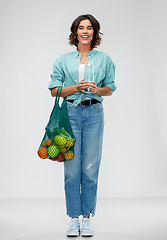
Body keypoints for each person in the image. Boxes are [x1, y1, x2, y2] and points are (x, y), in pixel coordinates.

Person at [48, 14, 117, 237]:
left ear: (95, 32)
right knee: (71, 169)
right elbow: (54, 90)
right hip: (70, 114)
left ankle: (86, 218)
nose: (85, 31)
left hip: (95, 112)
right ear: (75, 32)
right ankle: (73, 218)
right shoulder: (63, 60)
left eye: (89, 28)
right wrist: (75, 88)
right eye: (81, 28)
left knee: (89, 169)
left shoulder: (105, 59)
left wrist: (97, 90)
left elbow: (110, 88)